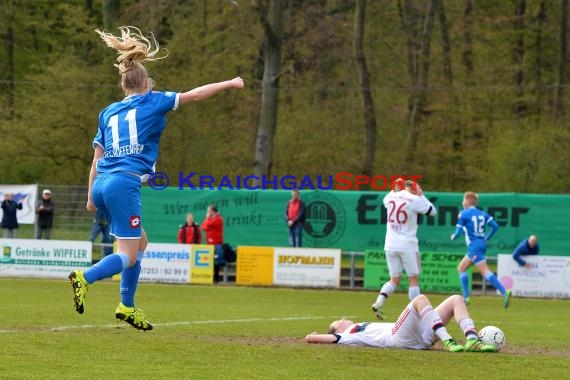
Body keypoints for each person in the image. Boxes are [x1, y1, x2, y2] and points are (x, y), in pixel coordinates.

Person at [68, 26, 244, 331]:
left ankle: (127, 306)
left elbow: (96, 158)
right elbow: (197, 95)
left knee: (140, 245)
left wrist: (89, 197)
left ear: (123, 85)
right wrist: (230, 82)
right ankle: (85, 277)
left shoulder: (107, 112)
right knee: (127, 253)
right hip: (124, 183)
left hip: (102, 184)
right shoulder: (155, 101)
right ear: (146, 83)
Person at [306, 294, 496, 353]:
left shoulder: (358, 326)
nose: (343, 319)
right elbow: (327, 338)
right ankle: (447, 340)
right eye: (339, 321)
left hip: (419, 336)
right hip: (398, 338)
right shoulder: (346, 334)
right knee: (419, 299)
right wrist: (312, 337)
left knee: (456, 299)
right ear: (339, 328)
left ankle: (472, 339)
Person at [371, 180, 437, 320]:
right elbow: (432, 212)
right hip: (407, 244)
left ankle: (379, 302)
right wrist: (421, 195)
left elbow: (387, 198)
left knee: (394, 279)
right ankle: (415, 313)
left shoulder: (390, 197)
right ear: (413, 189)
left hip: (390, 244)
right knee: (413, 279)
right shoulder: (414, 199)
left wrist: (395, 190)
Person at [451, 191, 511, 307]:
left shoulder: (464, 214)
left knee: (484, 271)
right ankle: (466, 297)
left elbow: (458, 232)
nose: (462, 202)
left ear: (467, 201)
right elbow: (495, 226)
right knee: (461, 268)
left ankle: (504, 292)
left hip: (475, 246)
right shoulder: (482, 213)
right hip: (481, 244)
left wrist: (453, 237)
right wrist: (487, 238)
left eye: (464, 200)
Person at [201, 204, 224, 282]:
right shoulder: (211, 219)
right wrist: (207, 222)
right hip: (209, 243)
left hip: (216, 243)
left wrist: (207, 218)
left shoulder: (218, 219)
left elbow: (207, 225)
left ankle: (216, 277)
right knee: (209, 260)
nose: (207, 212)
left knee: (216, 260)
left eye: (208, 211)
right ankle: (211, 276)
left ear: (212, 211)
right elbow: (203, 226)